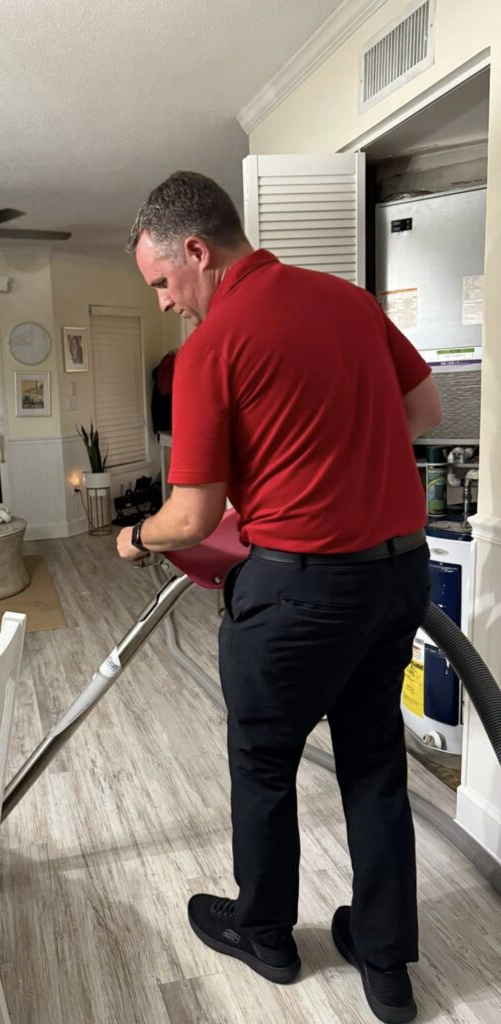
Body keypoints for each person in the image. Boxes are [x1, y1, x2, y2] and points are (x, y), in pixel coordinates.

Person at [118, 171, 441, 1023]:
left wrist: (132, 537)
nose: (164, 305)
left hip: (299, 595)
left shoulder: (213, 345)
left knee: (264, 762)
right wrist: (337, 467)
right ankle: (385, 962)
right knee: (374, 761)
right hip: (399, 572)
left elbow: (191, 516)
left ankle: (264, 933)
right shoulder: (348, 301)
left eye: (161, 283)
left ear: (196, 252)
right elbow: (424, 406)